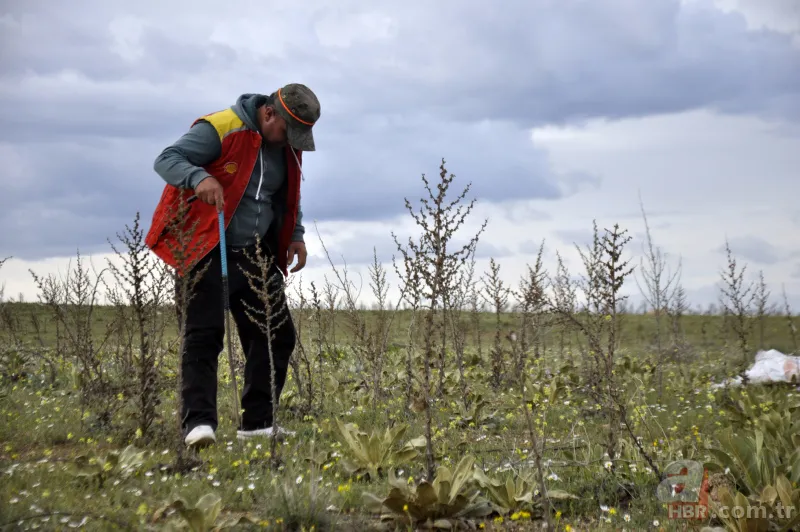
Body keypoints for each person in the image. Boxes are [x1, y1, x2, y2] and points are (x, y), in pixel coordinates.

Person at [144, 83, 321, 448]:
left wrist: (296, 234)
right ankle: (199, 424)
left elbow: (287, 196)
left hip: (257, 256)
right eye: (290, 132)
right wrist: (200, 177)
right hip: (208, 250)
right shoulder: (220, 128)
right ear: (269, 114)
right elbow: (167, 158)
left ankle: (258, 423)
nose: (293, 141)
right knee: (204, 336)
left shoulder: (285, 146)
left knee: (276, 335)